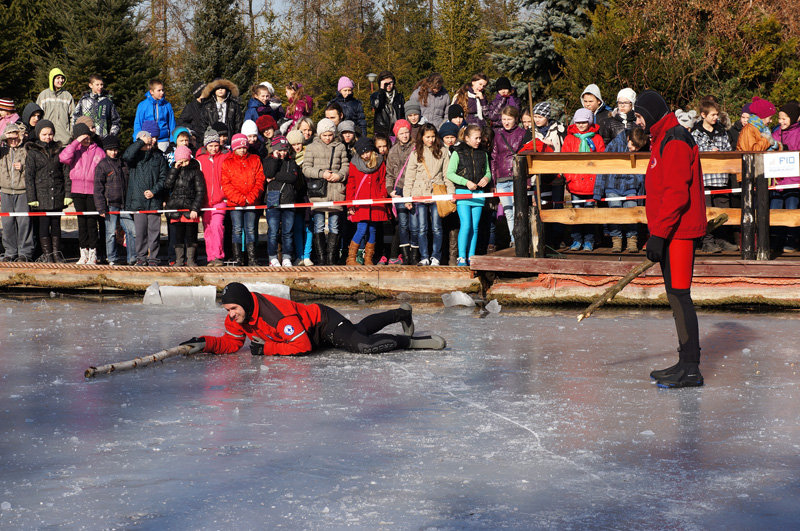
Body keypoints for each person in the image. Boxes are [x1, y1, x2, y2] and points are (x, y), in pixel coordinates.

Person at [635, 89, 706, 388]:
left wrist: (660, 235)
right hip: (669, 231)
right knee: (675, 296)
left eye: (638, 115)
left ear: (650, 113)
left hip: (678, 232)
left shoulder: (675, 138)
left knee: (680, 295)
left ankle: (691, 368)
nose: (636, 121)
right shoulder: (662, 137)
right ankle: (684, 362)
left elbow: (676, 193)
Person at [179, 282, 445, 356]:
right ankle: (402, 313)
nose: (230, 315)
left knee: (364, 345)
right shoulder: (237, 318)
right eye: (227, 310)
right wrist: (206, 343)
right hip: (309, 334)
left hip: (323, 324)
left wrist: (268, 348)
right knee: (360, 329)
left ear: (246, 304)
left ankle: (414, 342)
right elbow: (232, 343)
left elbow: (302, 346)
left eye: (233, 308)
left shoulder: (277, 316)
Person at [691, 98, 738, 253]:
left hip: (721, 178)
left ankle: (722, 239)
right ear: (703, 115)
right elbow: (693, 153)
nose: (715, 117)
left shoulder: (722, 132)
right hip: (704, 178)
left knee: (722, 210)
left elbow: (729, 150)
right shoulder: (696, 134)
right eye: (712, 115)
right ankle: (707, 241)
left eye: (717, 114)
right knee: (706, 211)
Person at [403, 123, 452, 266]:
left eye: (432, 136)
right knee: (422, 227)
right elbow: (409, 176)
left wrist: (451, 193)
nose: (430, 139)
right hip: (419, 193)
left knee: (437, 227)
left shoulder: (442, 151)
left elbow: (446, 174)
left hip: (437, 192)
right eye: (427, 137)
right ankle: (424, 256)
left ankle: (436, 257)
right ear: (422, 137)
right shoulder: (416, 153)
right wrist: (407, 197)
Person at [302, 118, 349, 265]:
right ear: (319, 134)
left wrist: (340, 175)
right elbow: (306, 168)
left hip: (336, 190)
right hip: (319, 192)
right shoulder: (311, 148)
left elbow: (345, 166)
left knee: (335, 225)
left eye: (330, 135)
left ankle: (331, 258)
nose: (327, 138)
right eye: (325, 135)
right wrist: (321, 173)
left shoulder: (340, 147)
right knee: (319, 225)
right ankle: (321, 258)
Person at [593, 127, 648, 253]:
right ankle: (616, 240)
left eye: (637, 148)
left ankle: (631, 240)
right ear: (629, 138)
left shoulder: (639, 147)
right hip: (613, 186)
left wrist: (640, 191)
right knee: (615, 213)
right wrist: (598, 191)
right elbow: (603, 167)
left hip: (631, 187)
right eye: (633, 145)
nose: (634, 149)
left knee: (631, 213)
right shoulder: (614, 145)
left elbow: (641, 173)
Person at [59, 122, 105, 264]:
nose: (85, 139)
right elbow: (63, 158)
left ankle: (93, 253)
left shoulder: (98, 151)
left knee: (91, 223)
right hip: (77, 190)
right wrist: (75, 143)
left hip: (93, 191)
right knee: (81, 223)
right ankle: (83, 252)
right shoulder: (75, 149)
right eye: (82, 137)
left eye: (87, 136)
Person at [25, 120, 71, 262]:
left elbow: (66, 173)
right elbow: (29, 176)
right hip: (41, 195)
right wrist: (32, 197)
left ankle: (57, 253)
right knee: (44, 226)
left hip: (57, 193)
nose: (48, 137)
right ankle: (48, 254)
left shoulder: (60, 150)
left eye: (50, 134)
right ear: (39, 134)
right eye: (44, 134)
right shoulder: (33, 153)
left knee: (56, 225)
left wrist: (68, 194)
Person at [124, 120, 168, 266]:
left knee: (154, 232)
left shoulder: (159, 157)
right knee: (140, 232)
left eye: (155, 138)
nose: (153, 141)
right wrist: (140, 142)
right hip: (138, 202)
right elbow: (126, 156)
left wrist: (154, 192)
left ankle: (154, 257)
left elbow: (164, 178)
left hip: (154, 201)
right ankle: (141, 257)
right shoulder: (135, 156)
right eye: (150, 138)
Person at [562, 107, 606, 251]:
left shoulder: (597, 138)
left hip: (591, 182)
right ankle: (576, 239)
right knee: (576, 213)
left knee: (589, 214)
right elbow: (564, 160)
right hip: (574, 182)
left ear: (590, 122)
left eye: (584, 122)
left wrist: (598, 179)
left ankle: (589, 240)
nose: (581, 125)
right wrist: (569, 177)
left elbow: (602, 161)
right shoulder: (569, 139)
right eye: (578, 122)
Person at [447, 124, 490, 266]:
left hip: (478, 194)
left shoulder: (483, 153)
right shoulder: (457, 152)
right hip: (463, 193)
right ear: (466, 138)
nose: (478, 141)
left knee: (475, 226)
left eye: (480, 138)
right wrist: (466, 182)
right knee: (466, 225)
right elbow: (450, 173)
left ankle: (472, 256)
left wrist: (486, 178)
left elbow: (488, 172)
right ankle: (461, 257)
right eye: (475, 138)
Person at [221, 133, 264, 266]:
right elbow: (226, 185)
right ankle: (238, 257)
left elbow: (260, 180)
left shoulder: (255, 159)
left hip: (252, 201)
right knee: (237, 229)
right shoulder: (227, 163)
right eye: (239, 148)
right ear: (234, 148)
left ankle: (252, 258)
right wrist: (240, 199)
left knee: (250, 228)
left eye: (244, 147)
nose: (242, 150)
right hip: (235, 203)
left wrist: (250, 198)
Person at [345, 137, 389, 266]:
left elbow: (383, 181)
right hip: (361, 201)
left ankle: (368, 258)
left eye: (367, 152)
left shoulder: (379, 162)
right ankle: (351, 258)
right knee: (362, 228)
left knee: (373, 229)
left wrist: (382, 196)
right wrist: (350, 204)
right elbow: (351, 184)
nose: (365, 155)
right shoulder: (354, 163)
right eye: (362, 153)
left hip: (375, 201)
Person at [93, 135, 135, 266]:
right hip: (110, 205)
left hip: (124, 204)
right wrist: (101, 207)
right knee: (110, 233)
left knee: (132, 231)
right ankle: (112, 258)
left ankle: (132, 258)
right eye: (111, 150)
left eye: (116, 149)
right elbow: (98, 188)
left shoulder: (124, 163)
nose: (114, 152)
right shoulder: (102, 165)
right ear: (106, 150)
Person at [165, 145, 206, 266]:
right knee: (178, 236)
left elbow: (200, 191)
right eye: (181, 161)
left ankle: (191, 260)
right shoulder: (174, 170)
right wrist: (174, 169)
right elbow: (167, 185)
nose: (184, 163)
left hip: (190, 208)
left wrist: (195, 208)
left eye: (186, 161)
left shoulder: (196, 172)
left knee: (191, 235)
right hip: (176, 208)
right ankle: (179, 260)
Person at [263, 135, 300, 267]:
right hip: (273, 197)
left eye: (285, 150)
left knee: (287, 232)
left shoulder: (291, 162)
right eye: (280, 150)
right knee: (273, 231)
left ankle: (286, 256)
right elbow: (268, 173)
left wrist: (275, 177)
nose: (283, 153)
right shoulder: (269, 160)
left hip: (288, 199)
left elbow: (292, 178)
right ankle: (272, 257)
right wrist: (275, 158)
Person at [491, 106, 525, 247]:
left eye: (509, 119)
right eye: (503, 119)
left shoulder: (522, 134)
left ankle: (521, 239)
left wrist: (527, 180)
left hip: (517, 177)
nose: (506, 122)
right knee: (508, 212)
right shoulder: (498, 135)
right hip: (502, 179)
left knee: (518, 211)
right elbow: (494, 157)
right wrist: (493, 181)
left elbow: (526, 157)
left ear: (516, 119)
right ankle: (513, 239)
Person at [385, 119, 418, 264]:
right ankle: (405, 257)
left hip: (414, 188)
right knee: (403, 223)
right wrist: (390, 190)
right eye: (401, 133)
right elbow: (390, 174)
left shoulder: (417, 148)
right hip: (399, 189)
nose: (404, 135)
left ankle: (415, 254)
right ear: (396, 135)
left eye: (406, 132)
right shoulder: (393, 151)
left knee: (415, 224)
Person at [0, 123, 33, 262]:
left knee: (24, 222)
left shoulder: (26, 150)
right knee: (7, 223)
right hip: (5, 191)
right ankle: (10, 252)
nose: (13, 140)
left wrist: (23, 167)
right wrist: (3, 136)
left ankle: (25, 253)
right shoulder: (2, 151)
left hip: (22, 191)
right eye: (10, 138)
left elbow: (33, 169)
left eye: (15, 137)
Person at [197, 128, 228, 266]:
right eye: (211, 146)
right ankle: (211, 257)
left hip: (220, 199)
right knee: (208, 229)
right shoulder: (200, 160)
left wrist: (225, 194)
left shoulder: (225, 157)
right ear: (206, 145)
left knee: (217, 226)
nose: (214, 148)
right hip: (205, 200)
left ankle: (218, 256)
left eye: (216, 145)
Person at [771, 101, 800, 253]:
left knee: (791, 209)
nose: (781, 121)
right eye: (780, 118)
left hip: (794, 180)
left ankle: (791, 239)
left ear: (794, 117)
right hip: (777, 179)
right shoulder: (776, 132)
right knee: (774, 210)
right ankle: (775, 239)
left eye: (784, 118)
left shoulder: (798, 133)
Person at [287, 129, 313, 266]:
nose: (297, 147)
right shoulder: (289, 159)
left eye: (299, 143)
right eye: (293, 144)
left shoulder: (308, 155)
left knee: (308, 226)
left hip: (307, 196)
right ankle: (300, 255)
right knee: (297, 227)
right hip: (294, 196)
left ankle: (307, 255)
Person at [133, 78, 176, 151]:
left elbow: (172, 124)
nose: (162, 92)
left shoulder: (167, 105)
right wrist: (137, 139)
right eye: (159, 90)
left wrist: (173, 141)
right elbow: (138, 123)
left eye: (162, 90)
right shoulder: (143, 105)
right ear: (151, 91)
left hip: (163, 140)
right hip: (147, 141)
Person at [36, 68, 75, 145]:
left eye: (62, 78)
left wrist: (71, 134)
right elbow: (38, 117)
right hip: (47, 139)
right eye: (58, 78)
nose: (61, 80)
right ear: (52, 79)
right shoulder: (43, 95)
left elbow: (73, 117)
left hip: (64, 140)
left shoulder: (67, 96)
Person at [370, 71, 405, 137]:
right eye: (386, 83)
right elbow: (378, 105)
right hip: (381, 131)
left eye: (390, 83)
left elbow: (402, 114)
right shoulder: (375, 95)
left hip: (397, 131)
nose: (388, 85)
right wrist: (381, 90)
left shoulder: (399, 97)